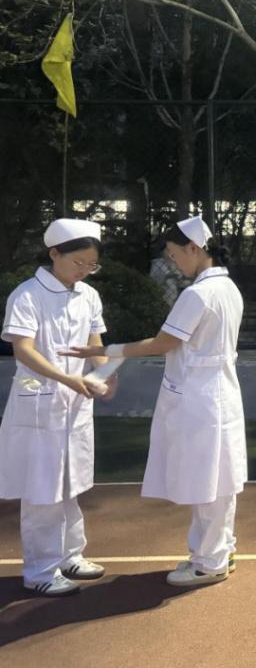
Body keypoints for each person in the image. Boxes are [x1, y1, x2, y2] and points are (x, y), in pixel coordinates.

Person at [65, 216, 245, 587]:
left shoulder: (197, 294)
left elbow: (163, 343)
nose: (174, 262)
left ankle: (209, 561)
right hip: (220, 392)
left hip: (199, 397)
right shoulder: (228, 288)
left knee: (205, 479)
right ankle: (219, 550)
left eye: (175, 254)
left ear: (194, 248)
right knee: (220, 477)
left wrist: (106, 350)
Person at [0, 219, 114, 596]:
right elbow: (23, 350)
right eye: (78, 262)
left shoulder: (88, 295)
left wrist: (106, 374)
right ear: (54, 254)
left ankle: (70, 556)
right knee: (42, 488)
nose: (84, 271)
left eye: (91, 265)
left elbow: (95, 343)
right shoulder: (27, 295)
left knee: (71, 483)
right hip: (39, 400)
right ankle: (40, 570)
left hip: (75, 402)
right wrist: (66, 379)